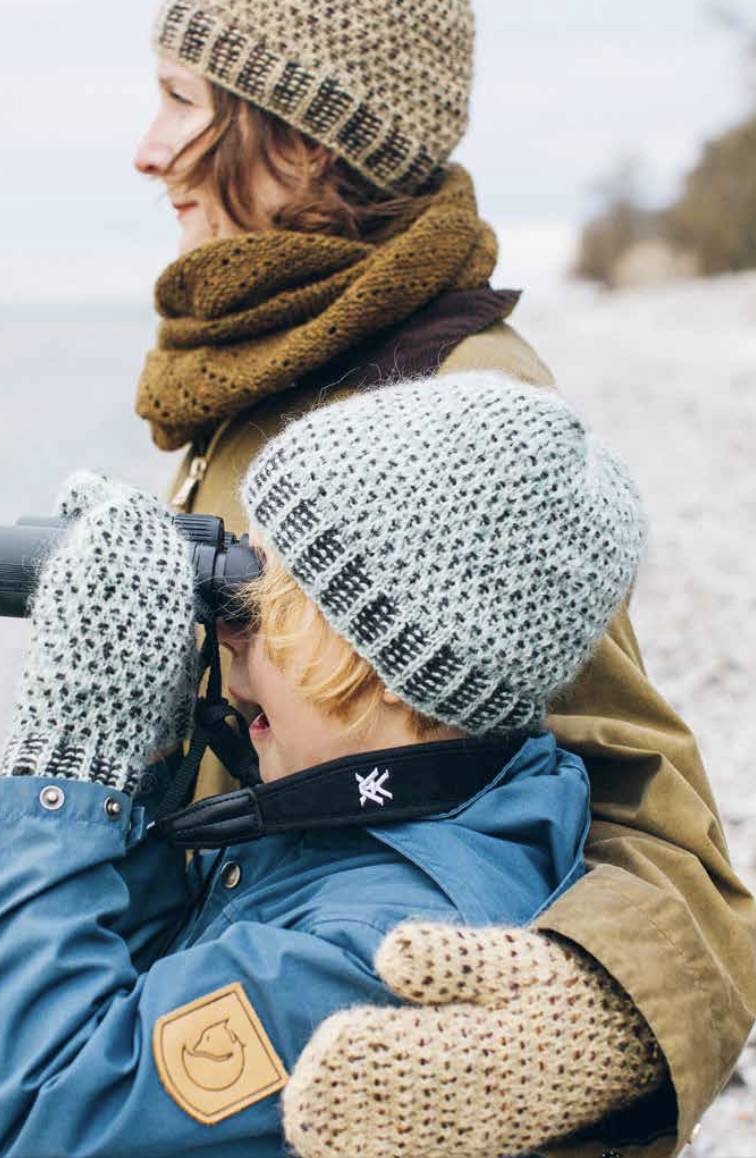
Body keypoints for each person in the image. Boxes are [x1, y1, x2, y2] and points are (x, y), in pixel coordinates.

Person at [127, 3, 756, 1155]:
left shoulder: (454, 409)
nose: (145, 147)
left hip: (310, 1051)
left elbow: (655, 821)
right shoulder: (269, 352)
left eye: (180, 99)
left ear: (306, 137)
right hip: (200, 1028)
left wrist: (597, 1010)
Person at [0, 371, 655, 1157]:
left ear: (392, 659)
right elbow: (139, 994)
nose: (232, 629)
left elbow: (29, 1123)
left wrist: (68, 757)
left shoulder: (372, 954)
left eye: (266, 597)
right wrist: (145, 756)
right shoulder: (383, 813)